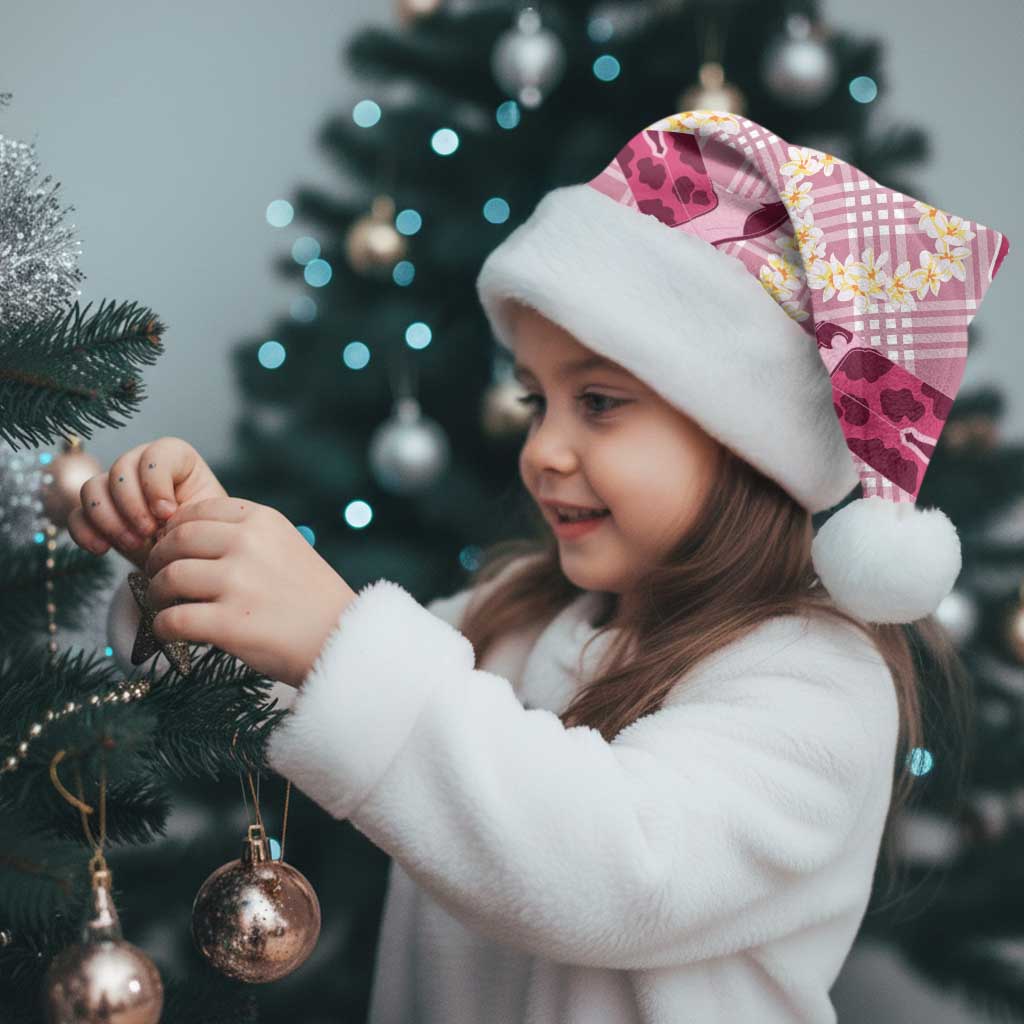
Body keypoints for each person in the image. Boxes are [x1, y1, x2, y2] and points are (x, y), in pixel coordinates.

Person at [73, 108, 1010, 1023]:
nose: (543, 451)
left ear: (747, 441)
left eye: (598, 403)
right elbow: (307, 691)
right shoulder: (515, 616)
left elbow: (616, 871)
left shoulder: (818, 683)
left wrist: (335, 636)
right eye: (535, 402)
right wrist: (190, 566)